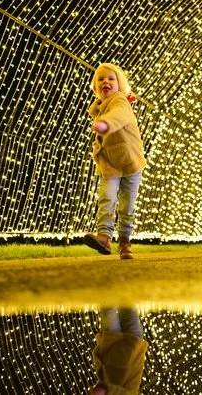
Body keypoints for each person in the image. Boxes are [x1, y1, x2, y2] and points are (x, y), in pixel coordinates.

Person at [83, 63, 146, 260]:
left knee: (127, 206)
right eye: (100, 79)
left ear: (119, 85)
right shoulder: (99, 108)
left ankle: (125, 242)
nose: (105, 82)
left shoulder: (120, 101)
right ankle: (104, 237)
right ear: (95, 88)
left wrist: (105, 124)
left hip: (130, 163)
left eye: (111, 78)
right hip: (109, 163)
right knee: (107, 198)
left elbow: (119, 115)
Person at [89, 308, 148, 395]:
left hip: (113, 344)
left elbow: (100, 390)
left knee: (110, 308)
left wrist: (105, 389)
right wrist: (105, 390)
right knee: (126, 305)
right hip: (132, 342)